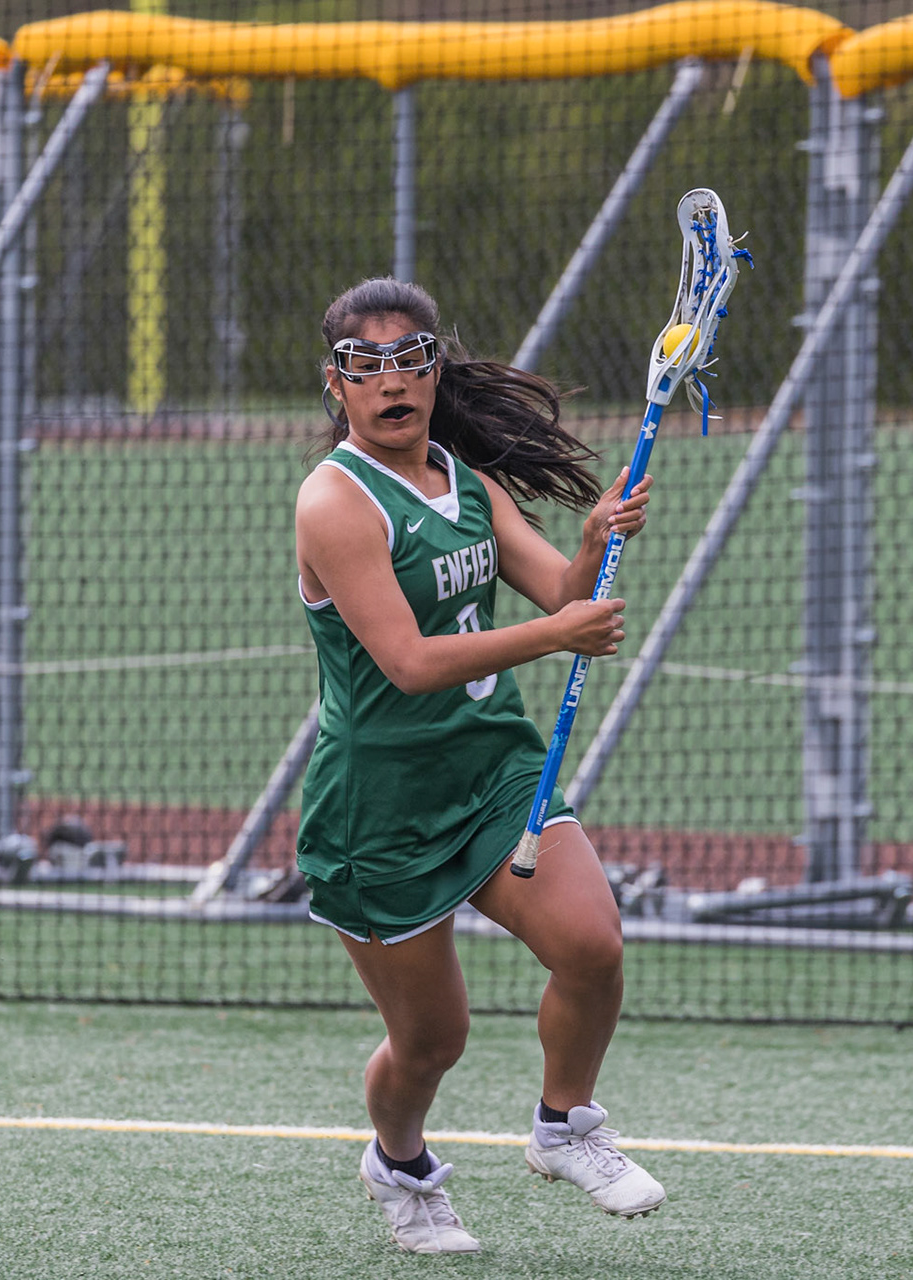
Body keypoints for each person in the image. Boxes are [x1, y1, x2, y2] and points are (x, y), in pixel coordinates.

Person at [294, 278, 663, 1254]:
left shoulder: (466, 482)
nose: (392, 381)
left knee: (593, 945)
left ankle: (564, 1124)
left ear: (435, 369)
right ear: (336, 383)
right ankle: (399, 1164)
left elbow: (561, 593)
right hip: (380, 810)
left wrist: (590, 543)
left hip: (492, 769)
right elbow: (410, 663)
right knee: (431, 1041)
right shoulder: (334, 501)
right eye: (366, 365)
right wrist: (556, 634)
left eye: (411, 359)